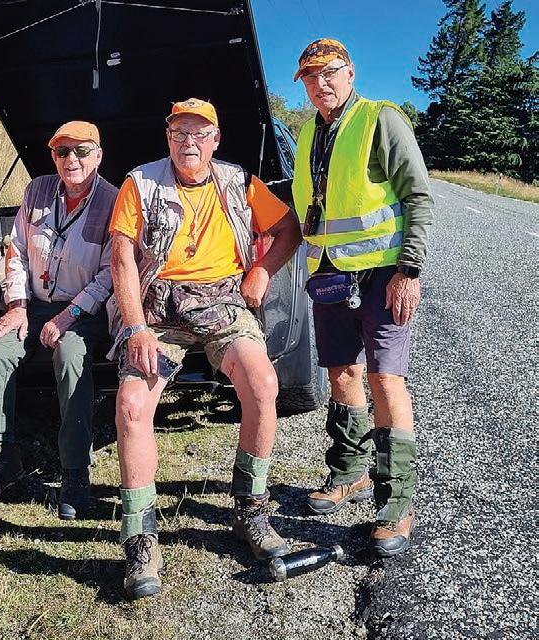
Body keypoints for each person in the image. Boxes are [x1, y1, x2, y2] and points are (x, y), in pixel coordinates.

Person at [108, 98, 302, 599]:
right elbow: (122, 261)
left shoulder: (239, 181)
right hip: (158, 310)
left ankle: (250, 509)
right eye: (179, 133)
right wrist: (136, 327)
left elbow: (288, 230)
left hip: (223, 303)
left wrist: (261, 271)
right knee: (132, 405)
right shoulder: (139, 183)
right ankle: (140, 537)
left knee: (262, 383)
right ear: (167, 137)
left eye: (199, 134)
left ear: (215, 139)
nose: (188, 142)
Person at [291, 39, 433, 557]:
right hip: (330, 274)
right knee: (342, 373)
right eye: (310, 77)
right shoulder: (308, 132)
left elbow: (418, 196)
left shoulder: (381, 119)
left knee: (385, 377)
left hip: (383, 275)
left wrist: (409, 270)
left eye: (329, 72)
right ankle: (349, 471)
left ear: (350, 72)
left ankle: (396, 502)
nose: (320, 83)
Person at [0, 121, 117, 520]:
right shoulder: (36, 191)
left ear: (98, 155)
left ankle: (74, 470)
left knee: (71, 356)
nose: (72, 160)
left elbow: (110, 273)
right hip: (33, 307)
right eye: (62, 152)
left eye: (81, 151)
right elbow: (16, 250)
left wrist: (70, 315)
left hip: (85, 312)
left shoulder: (113, 200)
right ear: (53, 157)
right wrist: (16, 305)